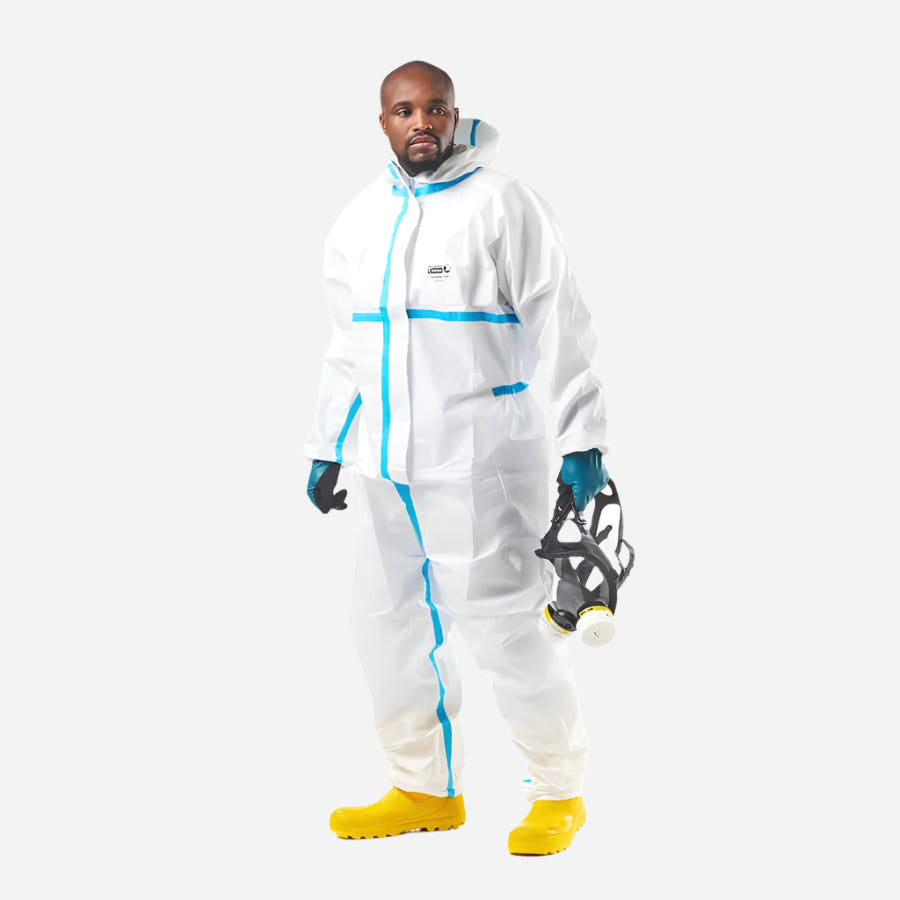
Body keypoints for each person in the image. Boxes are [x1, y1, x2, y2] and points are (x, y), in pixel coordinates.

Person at [305, 60, 612, 856]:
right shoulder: (360, 219)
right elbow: (347, 345)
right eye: (405, 110)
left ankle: (558, 791)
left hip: (480, 459)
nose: (422, 122)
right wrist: (328, 445)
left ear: (454, 114)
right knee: (383, 624)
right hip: (385, 466)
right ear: (383, 122)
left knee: (507, 628)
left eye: (435, 108)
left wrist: (582, 437)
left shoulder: (503, 205)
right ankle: (423, 787)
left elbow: (562, 324)